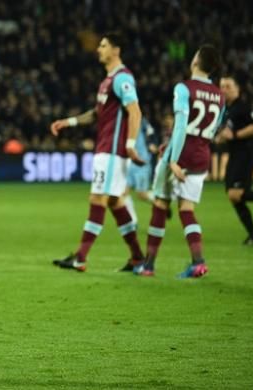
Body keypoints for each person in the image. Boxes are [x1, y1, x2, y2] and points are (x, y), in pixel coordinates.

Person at [48, 32, 146, 272]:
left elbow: (135, 111)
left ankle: (80, 258)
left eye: (103, 46)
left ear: (116, 50)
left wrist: (131, 144)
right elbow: (96, 113)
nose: (98, 49)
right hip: (106, 149)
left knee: (97, 199)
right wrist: (68, 122)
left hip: (112, 151)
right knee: (114, 202)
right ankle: (137, 258)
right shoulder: (107, 80)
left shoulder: (122, 78)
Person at [134, 45, 226, 277]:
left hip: (180, 156)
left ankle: (148, 265)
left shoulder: (184, 88)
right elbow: (213, 130)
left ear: (196, 61)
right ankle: (198, 262)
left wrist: (173, 158)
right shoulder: (219, 95)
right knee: (187, 209)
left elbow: (182, 125)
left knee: (160, 205)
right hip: (201, 156)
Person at [216, 76, 253, 245]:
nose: (224, 89)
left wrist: (235, 135)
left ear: (237, 89)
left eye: (228, 86)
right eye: (222, 86)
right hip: (235, 155)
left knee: (236, 194)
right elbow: (226, 132)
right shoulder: (227, 109)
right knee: (233, 196)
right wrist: (221, 138)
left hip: (246, 154)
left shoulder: (243, 107)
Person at [123, 117, 161, 224]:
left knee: (141, 195)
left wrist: (152, 144)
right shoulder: (121, 121)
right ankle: (133, 221)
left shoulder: (140, 120)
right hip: (129, 162)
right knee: (123, 192)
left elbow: (151, 133)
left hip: (142, 161)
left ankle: (161, 201)